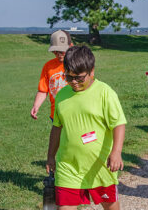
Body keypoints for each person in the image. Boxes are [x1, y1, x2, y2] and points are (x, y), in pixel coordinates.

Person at [46, 46, 126, 209]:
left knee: (110, 205)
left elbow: (118, 123)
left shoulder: (105, 92)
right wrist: (50, 156)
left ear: (92, 71)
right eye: (69, 77)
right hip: (68, 166)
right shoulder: (62, 95)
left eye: (79, 78)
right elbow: (57, 128)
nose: (74, 82)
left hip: (100, 165)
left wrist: (116, 152)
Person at [31, 30, 73, 121]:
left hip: (75, 113)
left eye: (62, 51)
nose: (58, 54)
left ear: (70, 46)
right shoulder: (48, 66)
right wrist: (36, 105)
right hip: (56, 115)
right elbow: (43, 90)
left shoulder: (78, 63)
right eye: (55, 51)